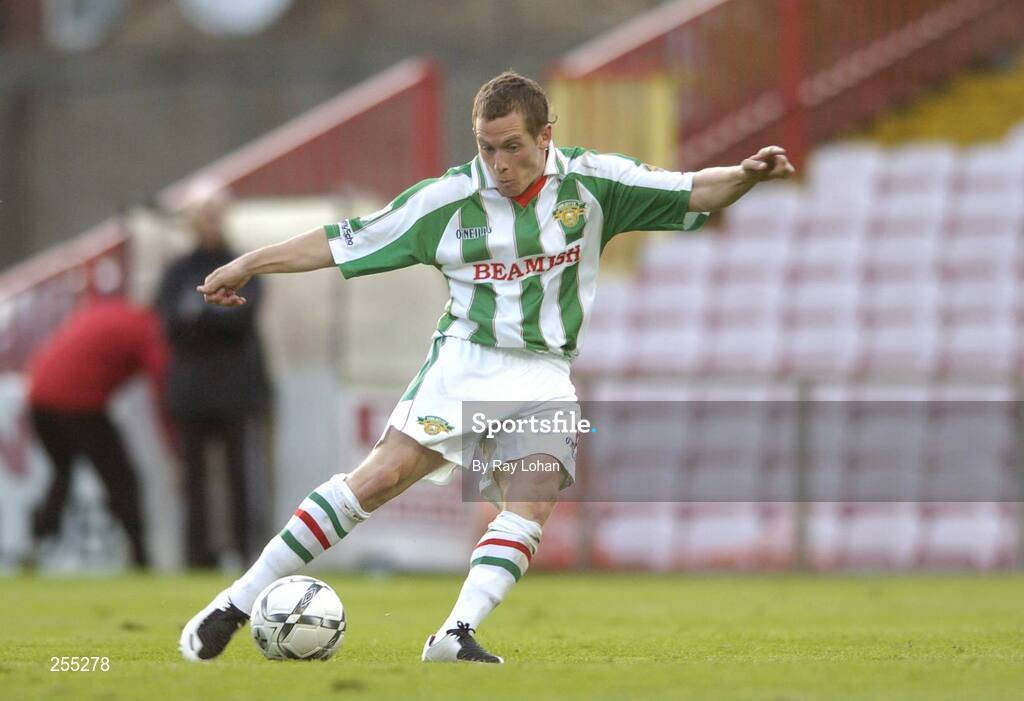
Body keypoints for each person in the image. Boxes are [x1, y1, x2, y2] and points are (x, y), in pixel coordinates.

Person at [178, 71, 794, 663]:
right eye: (486, 147)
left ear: (544, 135)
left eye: (512, 147)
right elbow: (344, 240)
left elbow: (692, 190)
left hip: (544, 371)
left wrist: (745, 175)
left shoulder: (593, 184)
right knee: (380, 479)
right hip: (465, 360)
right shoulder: (447, 200)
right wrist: (248, 264)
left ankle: (455, 633)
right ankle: (233, 602)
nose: (498, 163)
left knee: (535, 495)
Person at [156, 185, 272, 568]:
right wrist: (214, 316)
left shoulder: (243, 265)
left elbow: (243, 317)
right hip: (190, 391)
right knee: (194, 481)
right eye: (201, 215)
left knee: (242, 477)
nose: (208, 222)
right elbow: (169, 323)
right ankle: (197, 557)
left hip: (236, 389)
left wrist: (199, 313)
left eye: (213, 214)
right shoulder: (176, 271)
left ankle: (243, 552)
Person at [27, 294, 173, 569]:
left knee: (62, 473)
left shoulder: (111, 310)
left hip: (39, 398)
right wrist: (173, 442)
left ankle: (37, 541)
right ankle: (140, 556)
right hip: (78, 403)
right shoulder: (146, 329)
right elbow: (161, 386)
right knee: (122, 480)